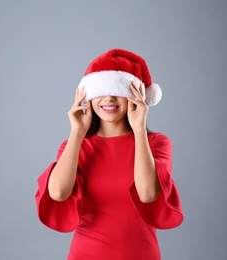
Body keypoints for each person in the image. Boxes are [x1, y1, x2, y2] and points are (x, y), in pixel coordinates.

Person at [35, 48, 184, 260]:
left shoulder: (156, 143)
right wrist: (77, 132)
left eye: (119, 92)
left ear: (135, 97)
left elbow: (147, 194)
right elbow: (58, 193)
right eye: (101, 92)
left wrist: (139, 128)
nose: (109, 98)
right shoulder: (73, 147)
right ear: (89, 97)